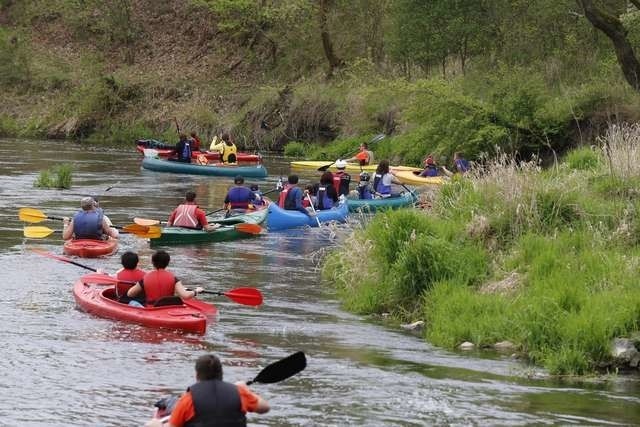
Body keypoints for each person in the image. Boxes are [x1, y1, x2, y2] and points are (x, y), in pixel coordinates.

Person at [145, 353, 270, 427]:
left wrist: (157, 424)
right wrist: (244, 390)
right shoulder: (239, 393)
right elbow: (265, 408)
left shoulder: (188, 399)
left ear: (197, 375)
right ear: (221, 373)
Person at [127, 250, 203, 306]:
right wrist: (196, 291)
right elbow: (185, 295)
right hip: (169, 307)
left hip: (152, 309)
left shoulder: (145, 278)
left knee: (131, 302)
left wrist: (143, 288)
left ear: (153, 262)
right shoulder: (173, 278)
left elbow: (130, 294)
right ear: (168, 263)